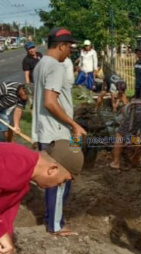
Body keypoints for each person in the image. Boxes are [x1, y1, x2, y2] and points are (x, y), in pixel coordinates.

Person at [0, 141, 84, 254]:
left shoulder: (22, 181)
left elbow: (5, 225)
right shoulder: (14, 162)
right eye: (64, 180)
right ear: (52, 169)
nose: (61, 184)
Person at [32, 27, 87, 236]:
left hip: (46, 132)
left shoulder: (40, 65)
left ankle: (55, 219)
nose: (70, 52)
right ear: (61, 45)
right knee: (61, 180)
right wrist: (74, 125)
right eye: (69, 47)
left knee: (55, 179)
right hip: (58, 133)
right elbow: (49, 102)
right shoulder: (55, 67)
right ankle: (55, 225)